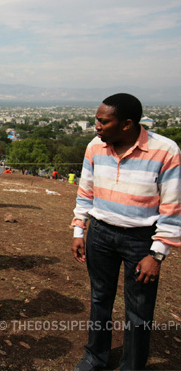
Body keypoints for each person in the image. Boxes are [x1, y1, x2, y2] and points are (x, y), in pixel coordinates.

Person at [71, 93, 181, 371]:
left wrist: (157, 255)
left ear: (127, 124)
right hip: (100, 234)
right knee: (99, 298)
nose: (96, 127)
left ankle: (131, 365)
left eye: (103, 121)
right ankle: (95, 357)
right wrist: (78, 229)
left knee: (139, 309)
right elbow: (85, 192)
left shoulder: (165, 151)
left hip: (141, 241)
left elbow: (172, 207)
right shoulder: (95, 146)